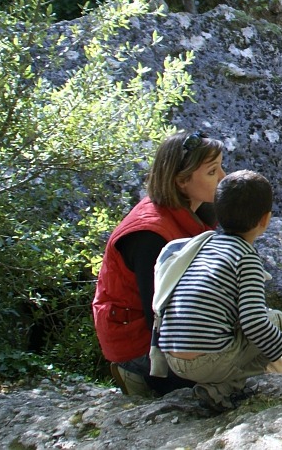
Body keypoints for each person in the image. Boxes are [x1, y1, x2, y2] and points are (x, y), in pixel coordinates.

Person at [153, 169, 282, 411]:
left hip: (172, 356)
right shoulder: (246, 257)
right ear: (265, 219)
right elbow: (255, 323)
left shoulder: (203, 244)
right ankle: (226, 388)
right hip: (208, 360)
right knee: (277, 321)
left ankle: (222, 383)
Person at [93, 130, 226, 397]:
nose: (223, 177)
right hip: (140, 343)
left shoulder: (195, 210)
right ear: (181, 181)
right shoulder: (149, 235)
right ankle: (136, 377)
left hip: (170, 327)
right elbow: (159, 315)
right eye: (212, 172)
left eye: (221, 167)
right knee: (230, 378)